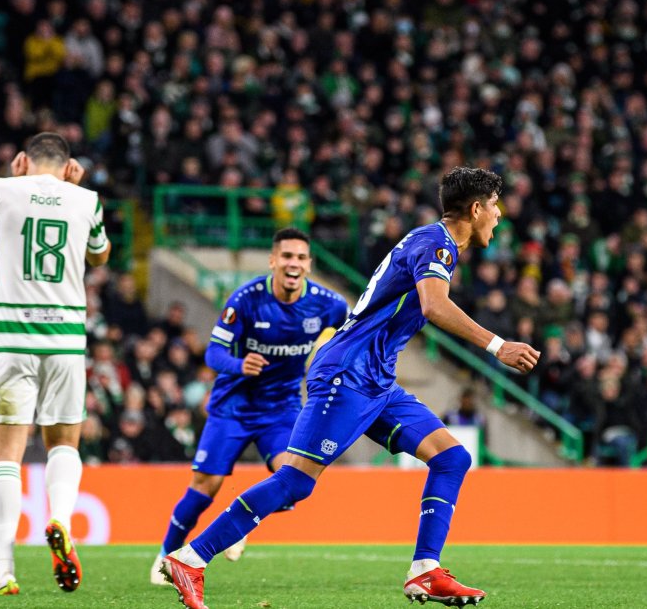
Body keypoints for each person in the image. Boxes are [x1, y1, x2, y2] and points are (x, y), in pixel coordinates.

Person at [162, 167, 540, 608]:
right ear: (475, 210)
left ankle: (425, 570)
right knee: (296, 482)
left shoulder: (433, 243)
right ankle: (191, 557)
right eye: (494, 207)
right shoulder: (435, 243)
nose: (498, 216)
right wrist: (497, 346)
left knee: (452, 457)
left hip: (376, 378)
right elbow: (434, 306)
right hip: (348, 375)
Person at [149, 228, 348, 584]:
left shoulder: (328, 304)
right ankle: (166, 555)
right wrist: (240, 365)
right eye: (287, 256)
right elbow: (213, 352)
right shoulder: (245, 300)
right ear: (273, 261)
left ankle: (236, 524)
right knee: (204, 485)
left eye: (301, 258)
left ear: (309, 265)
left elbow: (352, 335)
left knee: (294, 479)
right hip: (233, 406)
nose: (294, 264)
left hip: (281, 408)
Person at [0, 132, 111, 595]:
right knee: (63, 443)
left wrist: (13, 185)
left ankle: (3, 569)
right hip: (66, 342)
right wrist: (75, 190)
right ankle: (61, 519)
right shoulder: (87, 200)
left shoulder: (0, 190)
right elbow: (100, 254)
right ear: (69, 166)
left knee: (6, 457)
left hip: (12, 340)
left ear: (23, 160)